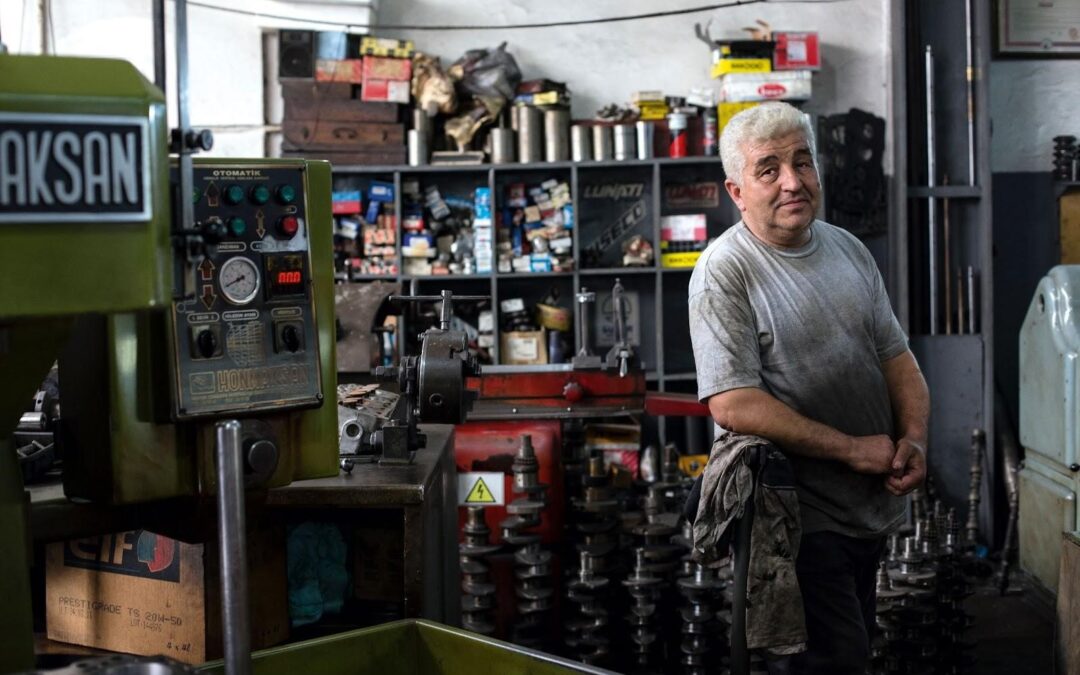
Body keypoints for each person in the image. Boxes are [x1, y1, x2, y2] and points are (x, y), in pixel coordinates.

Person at [688, 101, 930, 674]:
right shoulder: (725, 272)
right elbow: (733, 402)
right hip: (798, 517)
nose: (793, 182)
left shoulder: (848, 249)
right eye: (768, 169)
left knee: (856, 644)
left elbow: (896, 356)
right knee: (835, 660)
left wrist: (914, 437)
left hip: (869, 505)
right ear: (736, 190)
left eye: (803, 162)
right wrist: (851, 449)